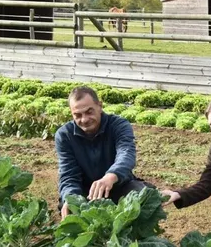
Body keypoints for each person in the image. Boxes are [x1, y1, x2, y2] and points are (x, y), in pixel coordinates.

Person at [55, 86, 151, 219]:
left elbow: (126, 153)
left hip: (118, 185)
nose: (84, 119)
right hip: (87, 193)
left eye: (89, 112)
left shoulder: (119, 125)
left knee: (145, 197)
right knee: (70, 206)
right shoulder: (64, 135)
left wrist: (110, 177)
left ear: (99, 106)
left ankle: (136, 239)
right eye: (77, 115)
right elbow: (68, 174)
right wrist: (70, 198)